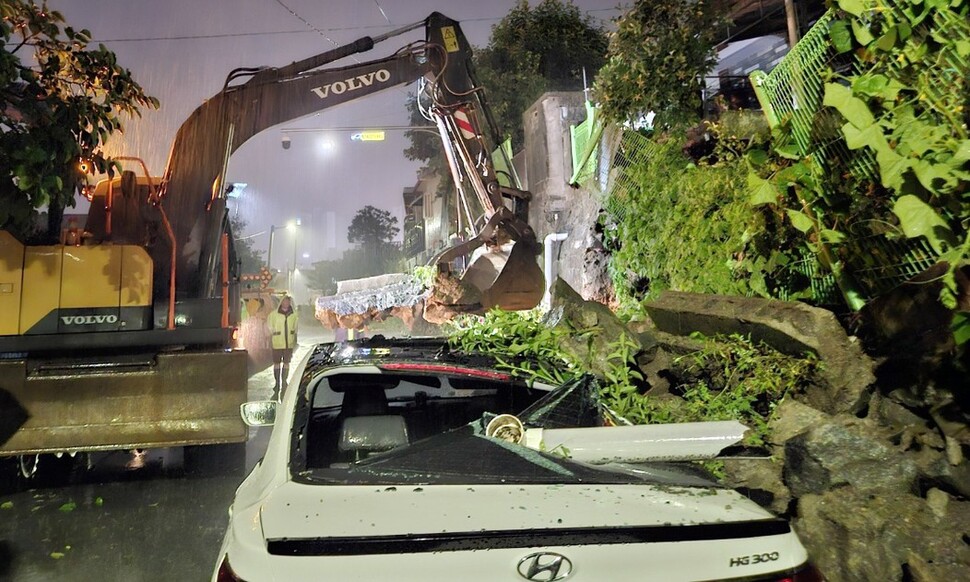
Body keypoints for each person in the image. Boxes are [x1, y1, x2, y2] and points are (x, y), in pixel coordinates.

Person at [267, 295, 298, 395]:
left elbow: (296, 328)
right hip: (277, 343)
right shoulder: (273, 315)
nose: (286, 303)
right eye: (284, 301)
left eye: (287, 302)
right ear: (281, 302)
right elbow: (269, 326)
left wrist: (294, 339)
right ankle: (277, 383)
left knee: (286, 363)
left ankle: (284, 382)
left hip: (288, 343)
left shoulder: (294, 315)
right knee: (276, 363)